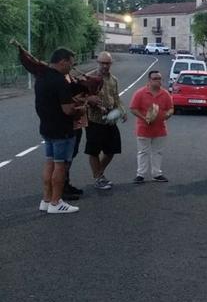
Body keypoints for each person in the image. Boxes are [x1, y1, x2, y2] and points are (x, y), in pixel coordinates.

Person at [35, 48, 83, 214]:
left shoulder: (41, 77)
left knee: (49, 163)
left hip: (46, 128)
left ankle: (46, 199)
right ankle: (56, 202)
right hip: (61, 130)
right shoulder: (60, 81)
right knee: (60, 165)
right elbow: (68, 110)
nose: (72, 66)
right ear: (63, 61)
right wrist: (81, 109)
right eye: (71, 62)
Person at [84, 52, 126, 190]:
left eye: (107, 63)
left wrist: (121, 111)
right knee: (93, 151)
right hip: (94, 120)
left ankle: (98, 174)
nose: (104, 66)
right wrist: (90, 100)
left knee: (112, 149)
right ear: (97, 62)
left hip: (110, 120)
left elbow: (116, 98)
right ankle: (98, 178)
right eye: (102, 63)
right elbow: (80, 97)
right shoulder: (89, 78)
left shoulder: (113, 80)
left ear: (110, 64)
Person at [129, 70, 173, 183]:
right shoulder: (140, 93)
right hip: (144, 128)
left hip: (160, 129)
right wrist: (144, 118)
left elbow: (170, 108)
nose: (158, 81)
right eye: (155, 79)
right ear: (149, 80)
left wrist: (168, 114)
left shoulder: (165, 94)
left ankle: (156, 173)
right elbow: (133, 108)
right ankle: (141, 174)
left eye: (160, 79)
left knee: (157, 152)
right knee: (143, 152)